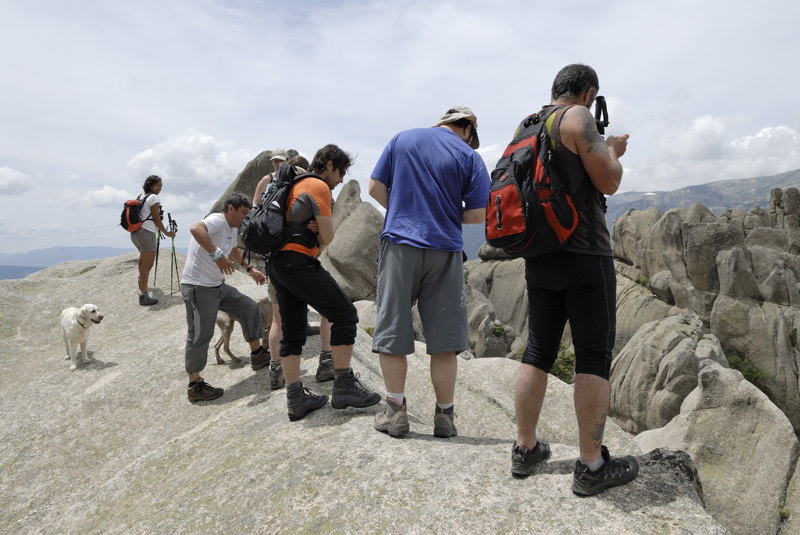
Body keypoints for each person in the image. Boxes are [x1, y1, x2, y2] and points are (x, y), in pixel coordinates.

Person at [510, 64, 638, 496]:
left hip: (539, 254)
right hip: (584, 254)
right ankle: (591, 464)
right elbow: (609, 181)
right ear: (587, 93)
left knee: (537, 350)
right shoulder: (579, 118)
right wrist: (612, 150)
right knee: (593, 357)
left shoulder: (527, 125)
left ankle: (525, 448)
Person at [368, 106, 490, 438]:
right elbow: (478, 215)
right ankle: (445, 417)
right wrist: (447, 213)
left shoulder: (402, 140)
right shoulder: (470, 157)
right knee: (445, 342)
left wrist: (404, 209)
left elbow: (375, 188)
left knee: (393, 329)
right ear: (466, 129)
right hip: (445, 250)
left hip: (400, 243)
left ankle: (394, 412)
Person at [267, 144, 380, 421]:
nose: (341, 179)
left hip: (277, 263)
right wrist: (319, 230)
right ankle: (343, 386)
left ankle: (295, 398)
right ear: (329, 165)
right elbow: (328, 237)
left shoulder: (292, 185)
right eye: (341, 172)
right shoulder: (317, 186)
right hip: (298, 261)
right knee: (345, 315)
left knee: (292, 329)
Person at [251, 153, 334, 392]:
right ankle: (326, 361)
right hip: (302, 260)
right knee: (330, 310)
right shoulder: (308, 186)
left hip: (274, 259)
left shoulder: (270, 184)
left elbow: (257, 215)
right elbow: (324, 230)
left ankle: (276, 370)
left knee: (278, 319)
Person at [180, 191, 269, 402]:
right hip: (198, 286)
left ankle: (257, 354)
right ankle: (195, 385)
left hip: (217, 286)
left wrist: (249, 269)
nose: (246, 217)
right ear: (230, 209)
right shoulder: (217, 220)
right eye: (243, 213)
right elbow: (195, 229)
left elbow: (233, 250)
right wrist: (216, 254)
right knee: (200, 334)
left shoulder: (231, 228)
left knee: (248, 306)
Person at [130, 175, 176, 306]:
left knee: (143, 259)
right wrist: (167, 233)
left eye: (161, 186)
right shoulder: (154, 197)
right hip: (147, 233)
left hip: (136, 233)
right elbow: (157, 219)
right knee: (147, 265)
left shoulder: (140, 195)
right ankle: (143, 296)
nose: (160, 188)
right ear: (150, 185)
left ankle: (141, 283)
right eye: (158, 185)